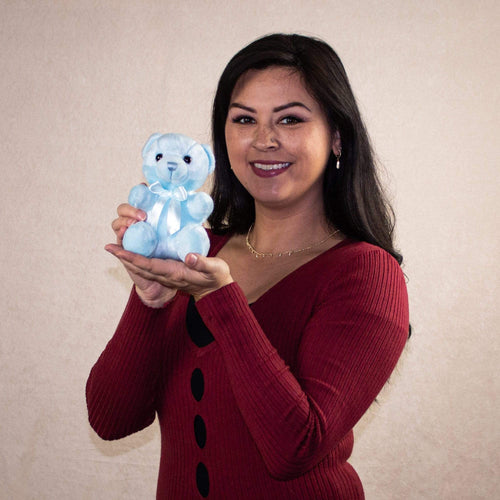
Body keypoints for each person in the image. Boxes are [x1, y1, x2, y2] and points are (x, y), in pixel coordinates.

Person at [86, 33, 409, 499]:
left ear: (337, 137)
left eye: (290, 119)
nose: (263, 140)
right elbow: (112, 419)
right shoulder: (196, 250)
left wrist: (220, 299)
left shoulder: (366, 275)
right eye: (244, 119)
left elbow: (294, 449)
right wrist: (149, 300)